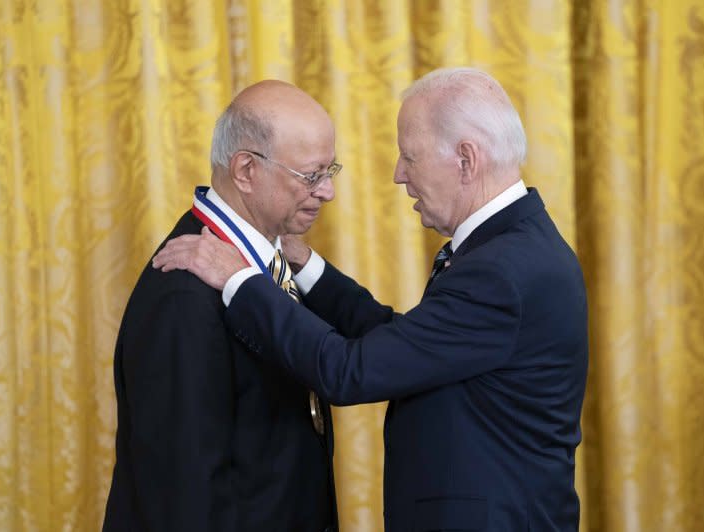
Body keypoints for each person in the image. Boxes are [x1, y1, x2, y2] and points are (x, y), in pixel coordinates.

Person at [153, 67, 588, 531]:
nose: (399, 175)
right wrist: (306, 267)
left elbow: (349, 371)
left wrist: (239, 278)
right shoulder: (514, 246)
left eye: (410, 157)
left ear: (466, 160)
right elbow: (406, 343)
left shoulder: (503, 270)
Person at [103, 80, 341, 532]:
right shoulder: (183, 295)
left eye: (332, 171)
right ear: (246, 170)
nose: (327, 191)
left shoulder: (265, 257)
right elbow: (183, 494)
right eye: (312, 175)